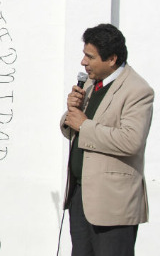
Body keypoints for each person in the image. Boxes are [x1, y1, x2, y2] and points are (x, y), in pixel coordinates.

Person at [61, 23, 154, 256]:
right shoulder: (92, 84)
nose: (83, 62)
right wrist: (70, 114)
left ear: (112, 59)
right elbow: (74, 129)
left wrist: (83, 124)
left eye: (89, 57)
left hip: (113, 204)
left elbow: (131, 140)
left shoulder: (137, 90)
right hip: (80, 197)